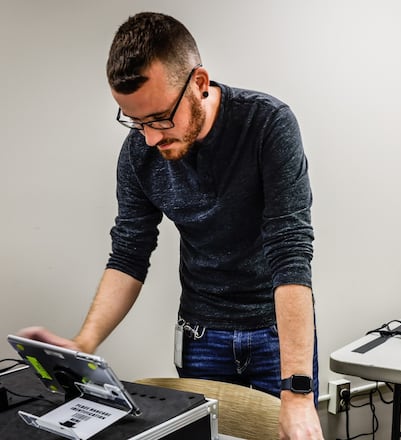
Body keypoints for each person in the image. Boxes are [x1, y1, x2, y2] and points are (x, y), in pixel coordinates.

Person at [19, 12, 323, 439]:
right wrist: (84, 345)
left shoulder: (267, 124)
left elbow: (290, 251)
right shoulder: (138, 153)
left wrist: (295, 393)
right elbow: (128, 253)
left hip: (276, 334)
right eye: (135, 121)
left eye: (160, 118)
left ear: (199, 83)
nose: (150, 138)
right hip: (201, 336)